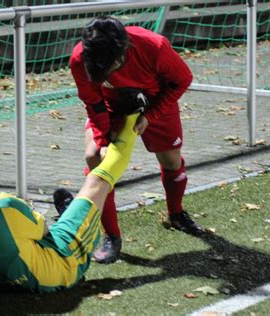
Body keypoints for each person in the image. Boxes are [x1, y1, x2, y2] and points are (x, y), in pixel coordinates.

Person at [0, 112, 141, 310]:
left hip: (11, 286)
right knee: (97, 181)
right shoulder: (2, 207)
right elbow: (43, 232)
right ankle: (133, 118)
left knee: (52, 227)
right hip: (63, 268)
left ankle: (71, 212)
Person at [69, 15, 204, 264]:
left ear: (123, 51)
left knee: (171, 160)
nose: (103, 70)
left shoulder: (154, 47)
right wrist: (103, 139)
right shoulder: (80, 58)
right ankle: (111, 236)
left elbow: (183, 80)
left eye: (108, 66)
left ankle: (176, 214)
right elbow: (93, 101)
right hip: (111, 104)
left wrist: (150, 116)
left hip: (155, 101)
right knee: (95, 157)